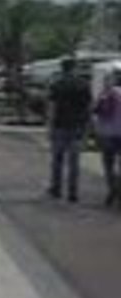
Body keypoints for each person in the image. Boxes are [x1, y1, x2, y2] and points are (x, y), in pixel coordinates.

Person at [46, 57, 92, 203]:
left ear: (62, 68)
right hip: (77, 126)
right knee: (74, 162)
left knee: (57, 159)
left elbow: (52, 108)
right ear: (75, 68)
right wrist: (87, 128)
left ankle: (56, 188)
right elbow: (88, 108)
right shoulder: (83, 85)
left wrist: (49, 126)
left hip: (60, 125)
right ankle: (73, 192)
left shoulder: (57, 84)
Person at [93, 64, 121, 206]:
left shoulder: (106, 93)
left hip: (108, 134)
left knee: (108, 165)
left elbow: (97, 112)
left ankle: (113, 189)